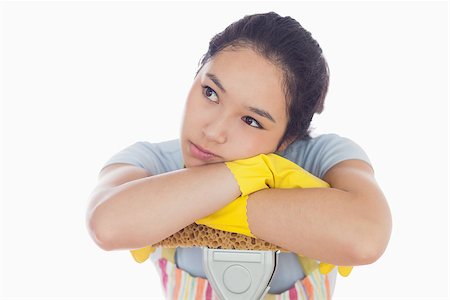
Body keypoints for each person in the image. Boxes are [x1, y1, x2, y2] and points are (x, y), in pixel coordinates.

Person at [86, 12, 392, 299]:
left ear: (288, 138)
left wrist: (173, 204)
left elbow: (365, 237)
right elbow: (108, 225)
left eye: (251, 120)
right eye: (210, 93)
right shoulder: (151, 161)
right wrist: (252, 174)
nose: (214, 131)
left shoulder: (322, 159)